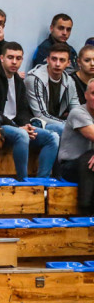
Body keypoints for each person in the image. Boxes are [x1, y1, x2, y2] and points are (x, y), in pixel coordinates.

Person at [0, 42, 58, 180]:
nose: (14, 62)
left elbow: (23, 110)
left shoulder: (18, 81)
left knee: (52, 137)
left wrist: (28, 126)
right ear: (2, 58)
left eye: (18, 58)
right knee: (22, 135)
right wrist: (19, 127)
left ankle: (42, 182)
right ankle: (23, 181)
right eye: (10, 57)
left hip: (16, 125)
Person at [25, 42, 80, 137]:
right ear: (47, 60)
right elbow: (40, 115)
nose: (57, 64)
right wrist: (67, 124)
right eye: (54, 59)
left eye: (62, 60)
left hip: (56, 122)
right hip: (35, 123)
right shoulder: (34, 79)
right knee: (64, 130)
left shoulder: (69, 81)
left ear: (68, 63)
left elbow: (76, 109)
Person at [58, 79, 94, 216]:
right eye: (93, 93)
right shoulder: (78, 112)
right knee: (89, 158)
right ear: (86, 95)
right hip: (69, 166)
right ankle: (84, 211)